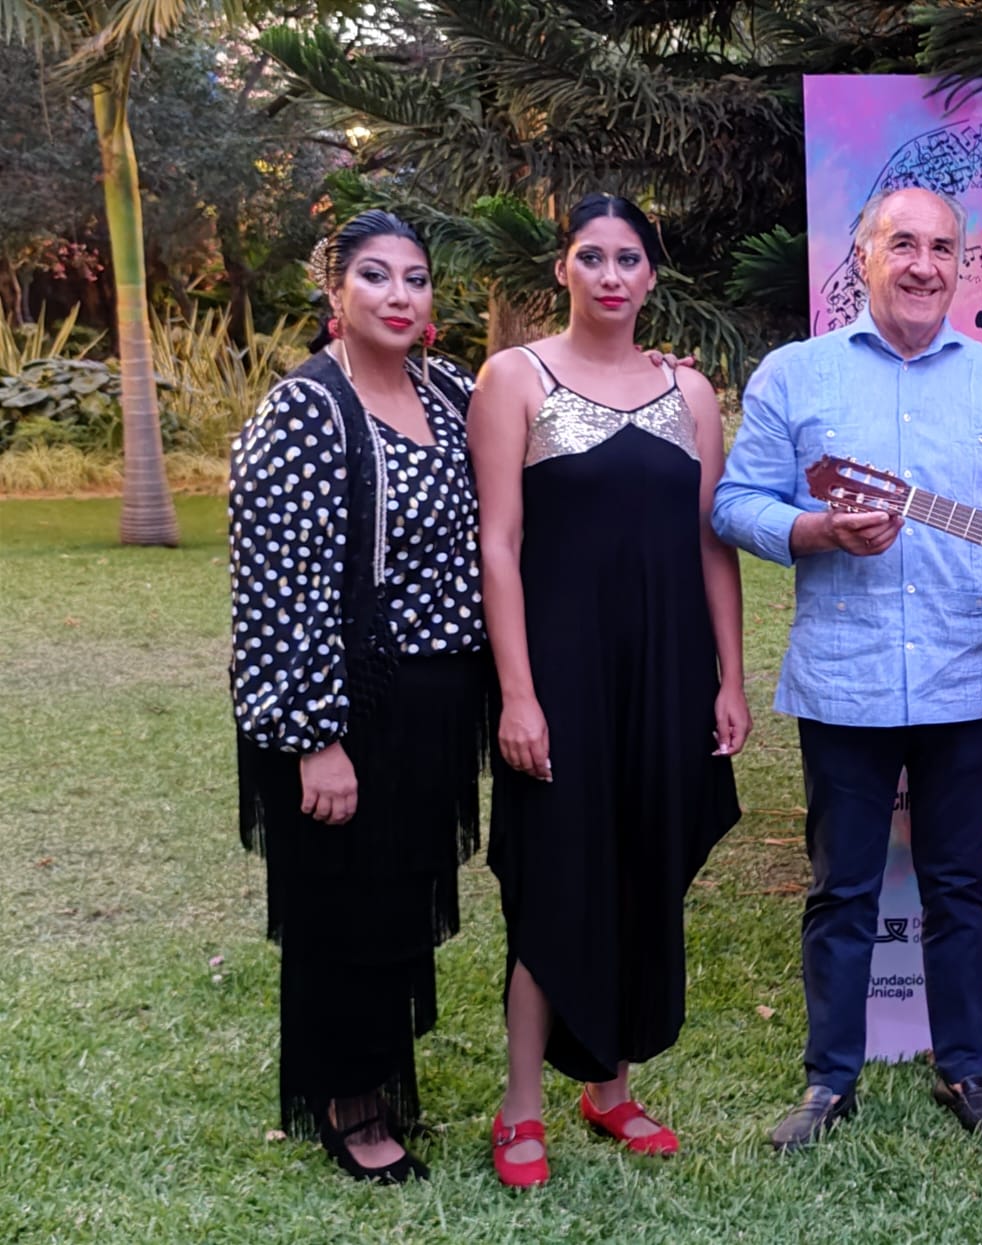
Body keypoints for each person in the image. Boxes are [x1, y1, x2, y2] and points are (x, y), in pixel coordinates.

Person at [712, 186, 982, 1152]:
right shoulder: (795, 375)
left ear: (962, 265)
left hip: (968, 675)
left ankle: (964, 1069)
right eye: (903, 244)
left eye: (943, 249)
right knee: (843, 889)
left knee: (960, 888)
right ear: (864, 257)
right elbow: (735, 502)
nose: (924, 264)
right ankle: (830, 1080)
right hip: (846, 677)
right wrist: (812, 528)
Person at [471, 194, 749, 1188]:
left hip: (667, 673)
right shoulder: (515, 378)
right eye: (590, 256)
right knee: (553, 873)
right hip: (560, 674)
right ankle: (519, 1110)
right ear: (563, 269)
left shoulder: (691, 393)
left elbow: (710, 544)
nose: (610, 275)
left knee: (640, 866)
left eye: (628, 258)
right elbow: (497, 547)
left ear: (651, 275)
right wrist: (517, 694)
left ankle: (612, 1089)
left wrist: (730, 678)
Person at [229, 210, 490, 1184]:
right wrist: (312, 739)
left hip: (434, 703)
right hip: (346, 708)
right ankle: (347, 1101)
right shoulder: (307, 409)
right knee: (345, 903)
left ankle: (381, 1076)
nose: (398, 296)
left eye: (415, 279)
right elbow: (276, 584)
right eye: (374, 277)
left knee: (400, 896)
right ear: (332, 291)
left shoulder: (448, 391)